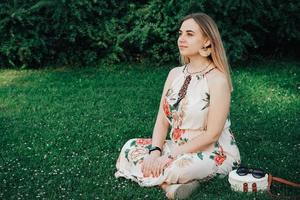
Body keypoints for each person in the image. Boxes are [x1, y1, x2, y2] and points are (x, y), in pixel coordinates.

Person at [115, 12, 241, 199]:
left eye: (190, 34)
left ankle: (172, 181)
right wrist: (155, 152)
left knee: (179, 168)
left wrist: (169, 156)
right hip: (176, 147)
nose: (181, 39)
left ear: (207, 41)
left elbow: (212, 134)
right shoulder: (174, 74)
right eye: (180, 33)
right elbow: (161, 120)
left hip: (213, 152)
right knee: (129, 147)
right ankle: (170, 187)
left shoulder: (217, 80)